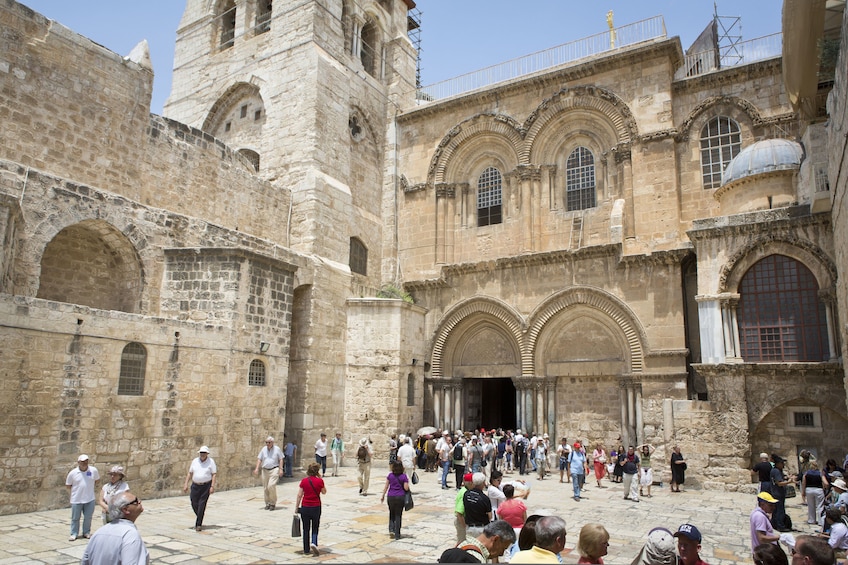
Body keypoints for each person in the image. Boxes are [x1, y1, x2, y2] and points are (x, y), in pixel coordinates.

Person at [81, 491, 149, 565]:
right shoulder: (130, 535)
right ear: (125, 509)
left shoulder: (99, 532)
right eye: (136, 501)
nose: (140, 502)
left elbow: (85, 561)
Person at [438, 520, 516, 563]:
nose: (501, 554)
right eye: (503, 548)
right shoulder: (477, 559)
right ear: (496, 539)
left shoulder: (464, 544)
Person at [66, 454, 100, 541]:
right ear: (78, 462)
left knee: (88, 517)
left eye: (86, 461)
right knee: (75, 518)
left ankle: (86, 532)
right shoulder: (73, 473)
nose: (84, 463)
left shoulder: (93, 470)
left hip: (89, 498)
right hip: (77, 499)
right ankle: (74, 533)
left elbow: (97, 481)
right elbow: (68, 485)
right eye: (82, 462)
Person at [183, 445, 217, 532]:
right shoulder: (195, 461)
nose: (202, 454)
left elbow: (214, 474)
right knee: (194, 502)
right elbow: (190, 473)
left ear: (207, 454)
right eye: (201, 453)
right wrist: (186, 484)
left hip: (206, 486)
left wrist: (212, 486)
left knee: (202, 504)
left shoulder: (211, 462)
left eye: (204, 453)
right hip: (195, 485)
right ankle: (199, 515)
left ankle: (198, 524)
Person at [295, 461, 326, 556]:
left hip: (305, 507)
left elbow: (299, 495)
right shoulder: (319, 481)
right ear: (317, 471)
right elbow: (324, 492)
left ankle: (306, 549)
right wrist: (321, 481)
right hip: (316, 507)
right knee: (315, 526)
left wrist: (296, 507)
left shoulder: (304, 481)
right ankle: (314, 542)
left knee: (306, 528)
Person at [381, 461, 410, 540]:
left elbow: (386, 486)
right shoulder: (403, 476)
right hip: (400, 497)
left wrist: (383, 495)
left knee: (392, 513)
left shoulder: (390, 475)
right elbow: (406, 488)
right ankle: (397, 534)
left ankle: (391, 529)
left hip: (391, 496)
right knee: (398, 515)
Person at [253, 436, 283, 510]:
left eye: (269, 442)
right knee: (266, 487)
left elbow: (281, 459)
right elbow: (259, 459)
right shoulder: (263, 449)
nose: (267, 444)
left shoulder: (277, 449)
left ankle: (273, 503)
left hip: (274, 469)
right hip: (265, 470)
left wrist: (281, 469)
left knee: (271, 485)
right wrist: (257, 468)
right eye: (266, 442)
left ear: (272, 442)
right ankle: (267, 503)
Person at [463, 472, 493, 538]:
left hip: (469, 527)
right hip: (481, 528)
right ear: (483, 483)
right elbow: (490, 516)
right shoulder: (484, 498)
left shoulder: (466, 494)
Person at [771, 456, 796, 532]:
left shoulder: (776, 471)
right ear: (778, 464)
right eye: (781, 463)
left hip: (776, 493)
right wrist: (789, 482)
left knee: (775, 510)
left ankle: (774, 524)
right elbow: (779, 483)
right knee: (780, 510)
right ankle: (780, 526)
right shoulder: (776, 471)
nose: (783, 465)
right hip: (778, 493)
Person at [803, 460, 829, 526]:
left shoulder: (806, 473)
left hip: (809, 490)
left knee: (811, 506)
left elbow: (804, 483)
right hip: (818, 490)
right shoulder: (820, 473)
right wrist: (825, 488)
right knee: (820, 506)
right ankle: (821, 521)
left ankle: (811, 520)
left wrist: (803, 492)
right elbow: (826, 483)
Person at [455, 472, 474, 543]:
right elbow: (459, 513)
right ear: (470, 483)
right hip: (461, 521)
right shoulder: (464, 493)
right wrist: (464, 526)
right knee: (461, 542)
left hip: (463, 520)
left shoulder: (464, 490)